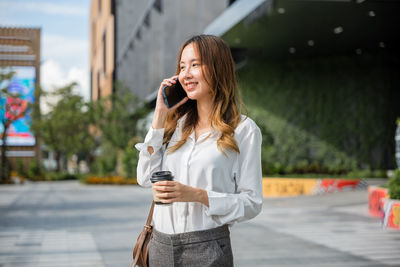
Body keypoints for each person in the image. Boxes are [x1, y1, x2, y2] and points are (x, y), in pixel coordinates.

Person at [135, 34, 263, 267]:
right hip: (160, 246)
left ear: (217, 68)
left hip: (208, 248)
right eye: (182, 67)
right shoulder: (176, 126)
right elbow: (145, 178)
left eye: (195, 65)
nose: (185, 74)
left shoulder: (244, 130)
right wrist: (160, 115)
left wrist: (198, 195)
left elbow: (252, 202)